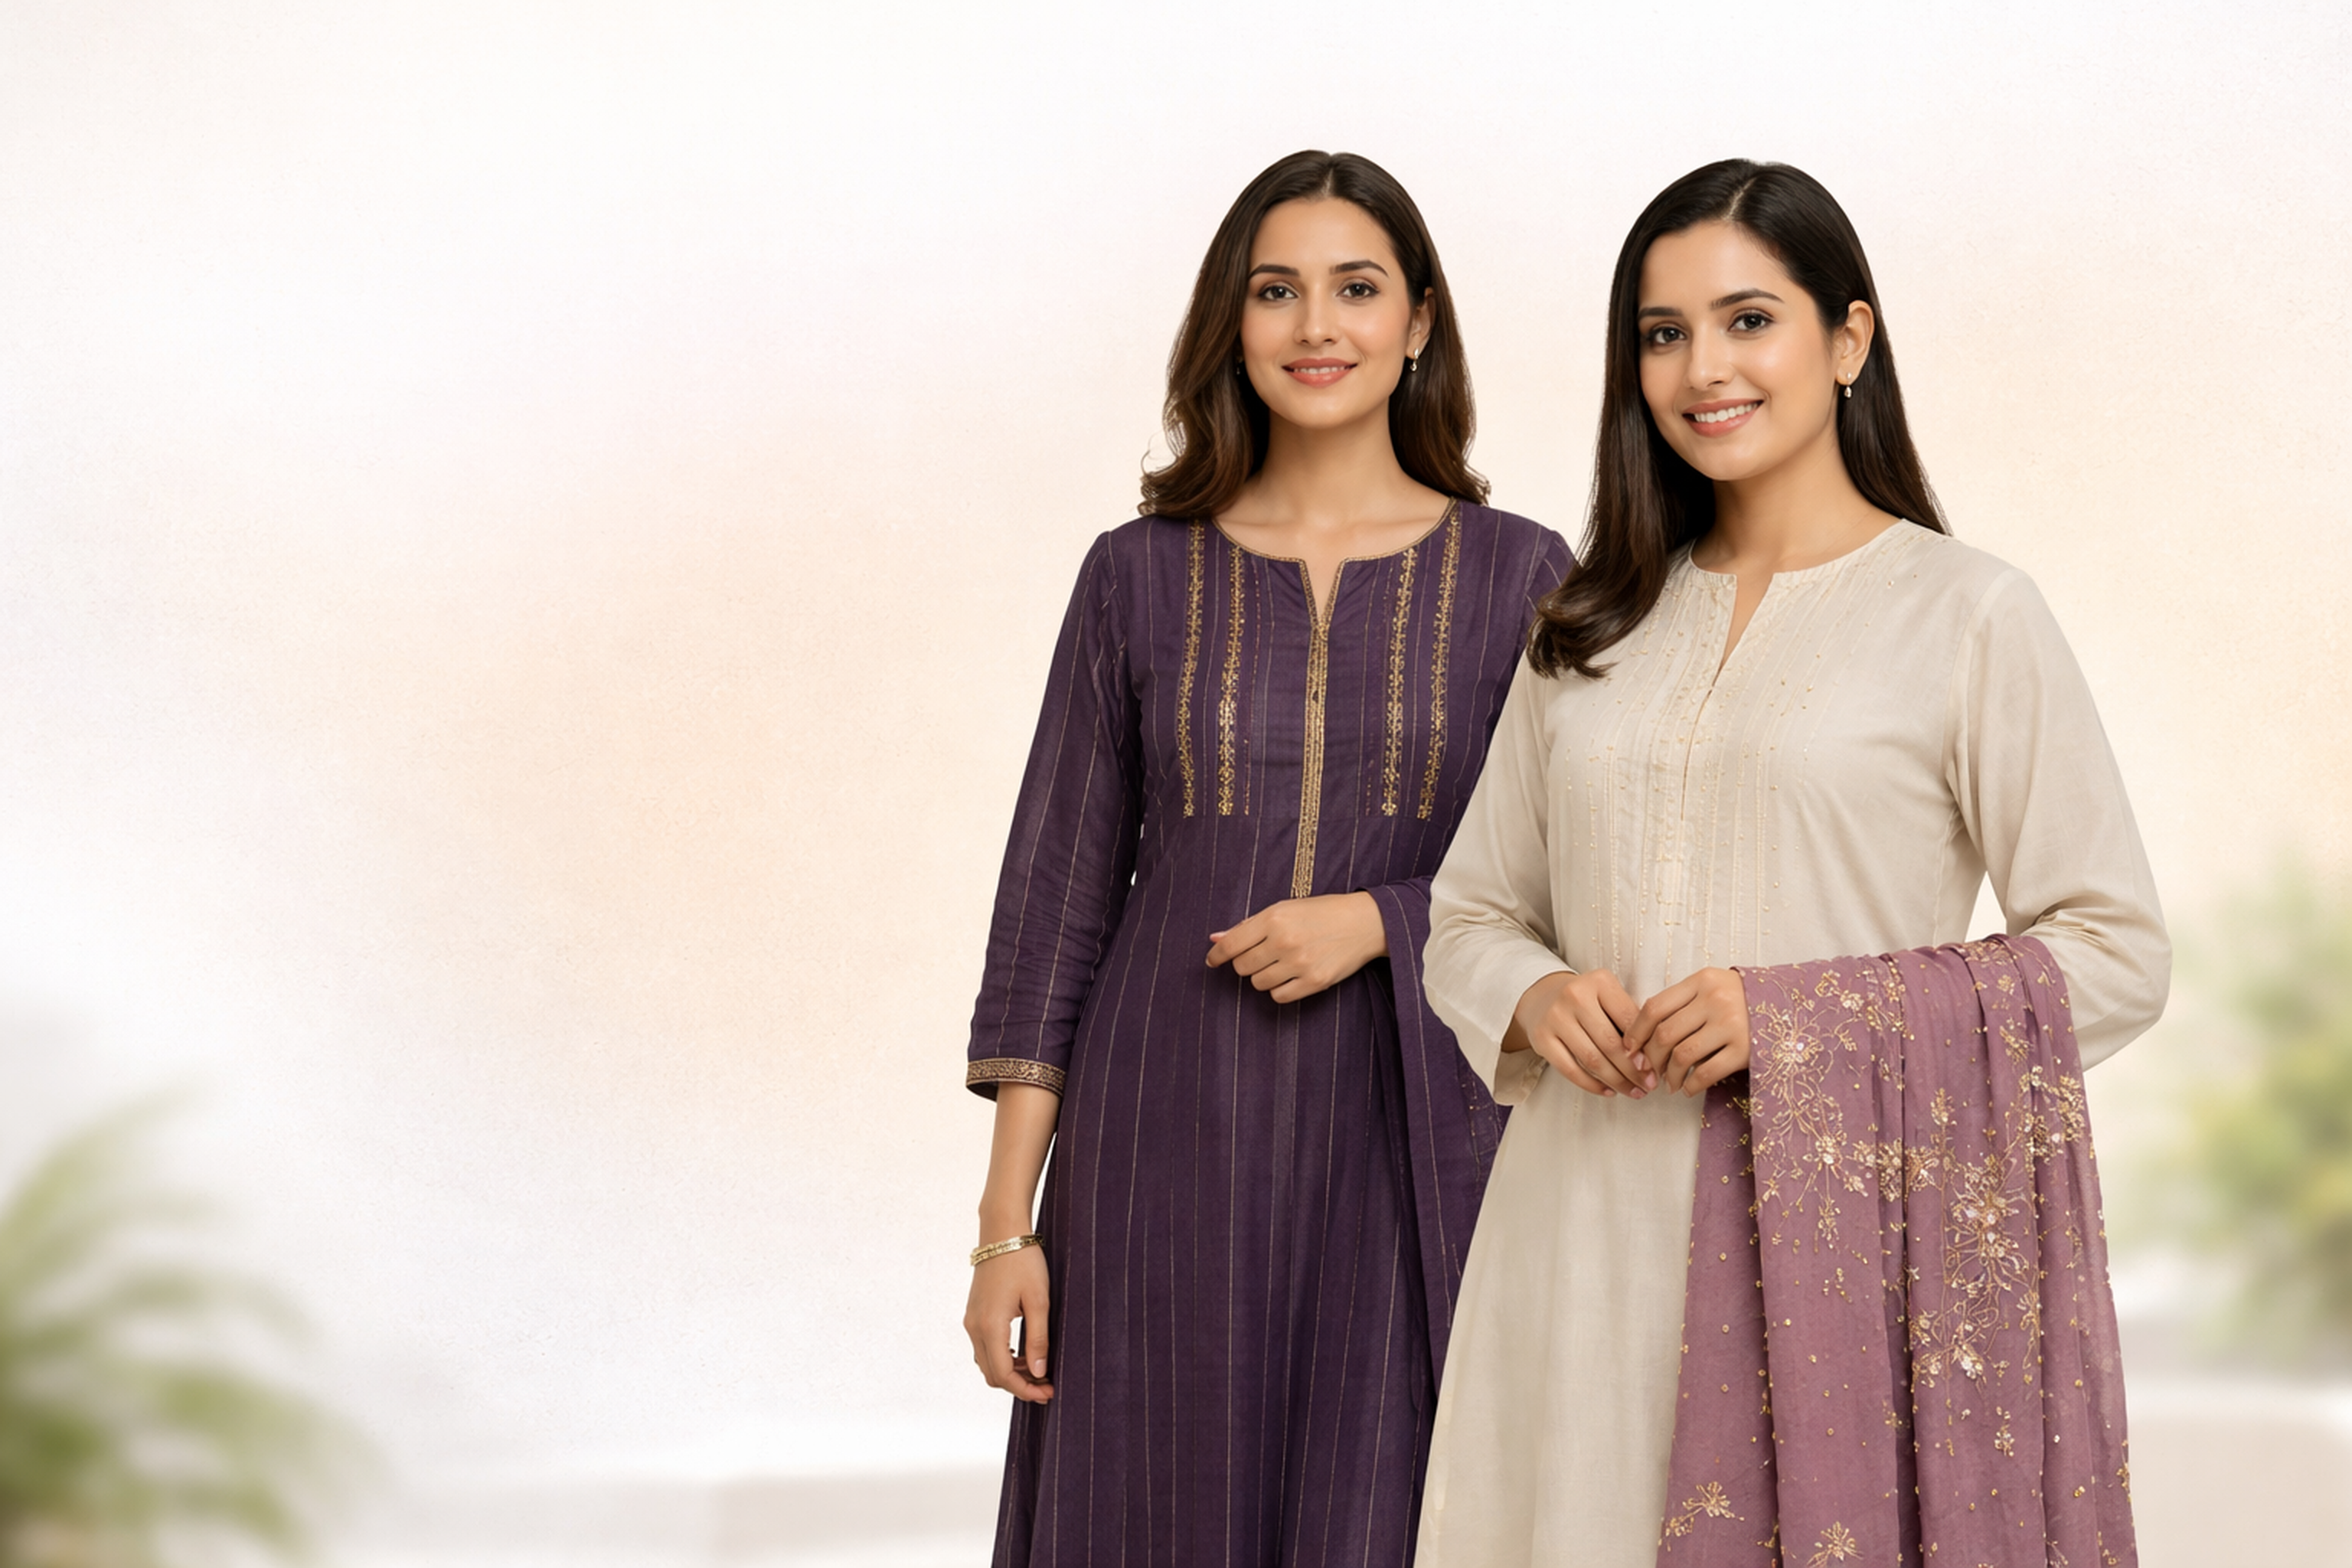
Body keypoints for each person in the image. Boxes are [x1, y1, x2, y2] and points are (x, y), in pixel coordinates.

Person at [1413, 159, 2169, 1567]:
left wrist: (1805, 1021)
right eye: (1662, 332)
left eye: (1749, 319)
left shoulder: (1968, 617)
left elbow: (2116, 950)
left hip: (1824, 1255)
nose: (1704, 367)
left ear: (1851, 339)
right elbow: (1471, 912)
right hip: (1571, 1239)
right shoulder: (1587, 624)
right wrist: (1527, 992)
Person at [959, 149, 1572, 1567]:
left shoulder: (1522, 577)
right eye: (1276, 292)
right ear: (1229, 327)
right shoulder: (1137, 574)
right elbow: (1053, 904)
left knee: (1394, 1502)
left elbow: (1572, 876)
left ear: (1420, 321)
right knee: (1147, 1494)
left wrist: (1384, 916)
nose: (1317, 327)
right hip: (1161, 1137)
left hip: (1415, 1131)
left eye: (1356, 290)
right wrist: (1007, 1232)